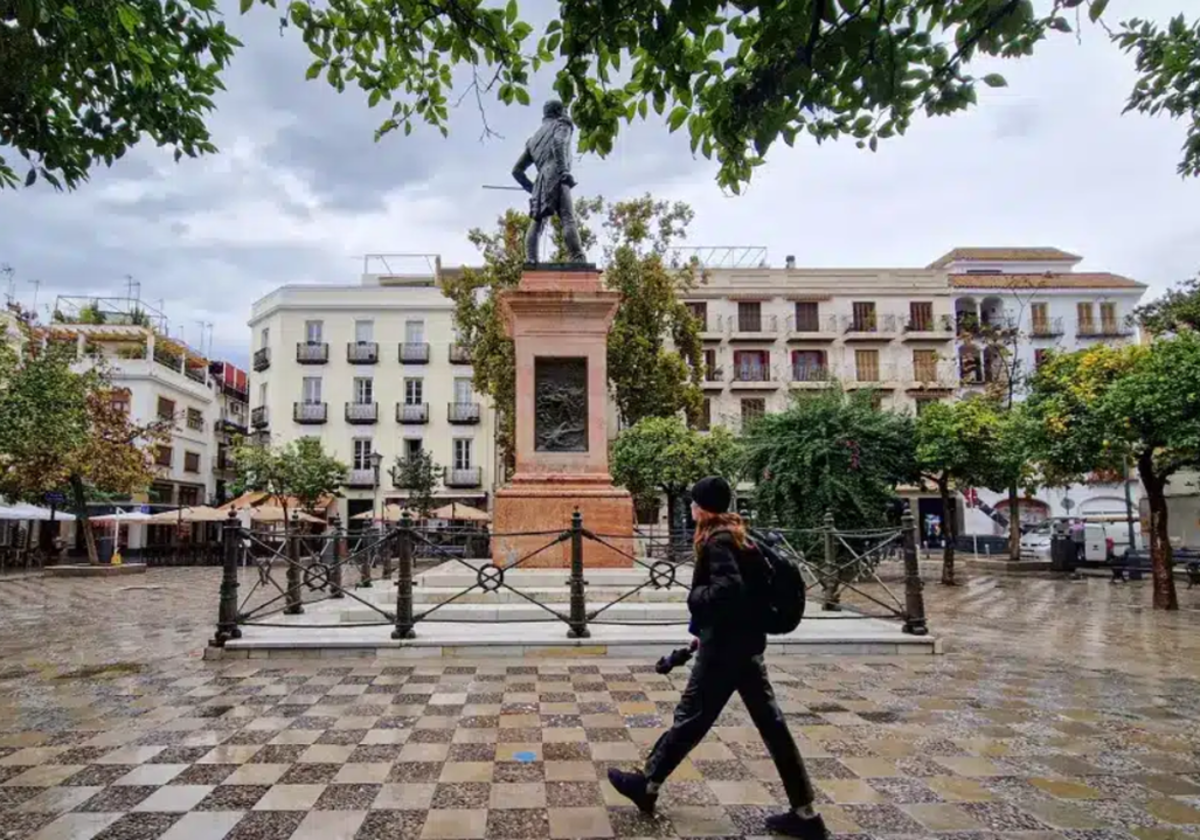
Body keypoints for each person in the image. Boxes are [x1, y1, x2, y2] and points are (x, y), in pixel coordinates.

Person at [607, 476, 828, 839]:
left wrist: (695, 599)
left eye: (694, 502)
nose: (691, 507)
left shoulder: (718, 540)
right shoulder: (740, 535)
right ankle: (805, 813)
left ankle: (647, 784)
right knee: (771, 727)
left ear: (701, 507)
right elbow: (746, 595)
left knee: (691, 717)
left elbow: (728, 591)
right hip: (745, 646)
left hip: (725, 650)